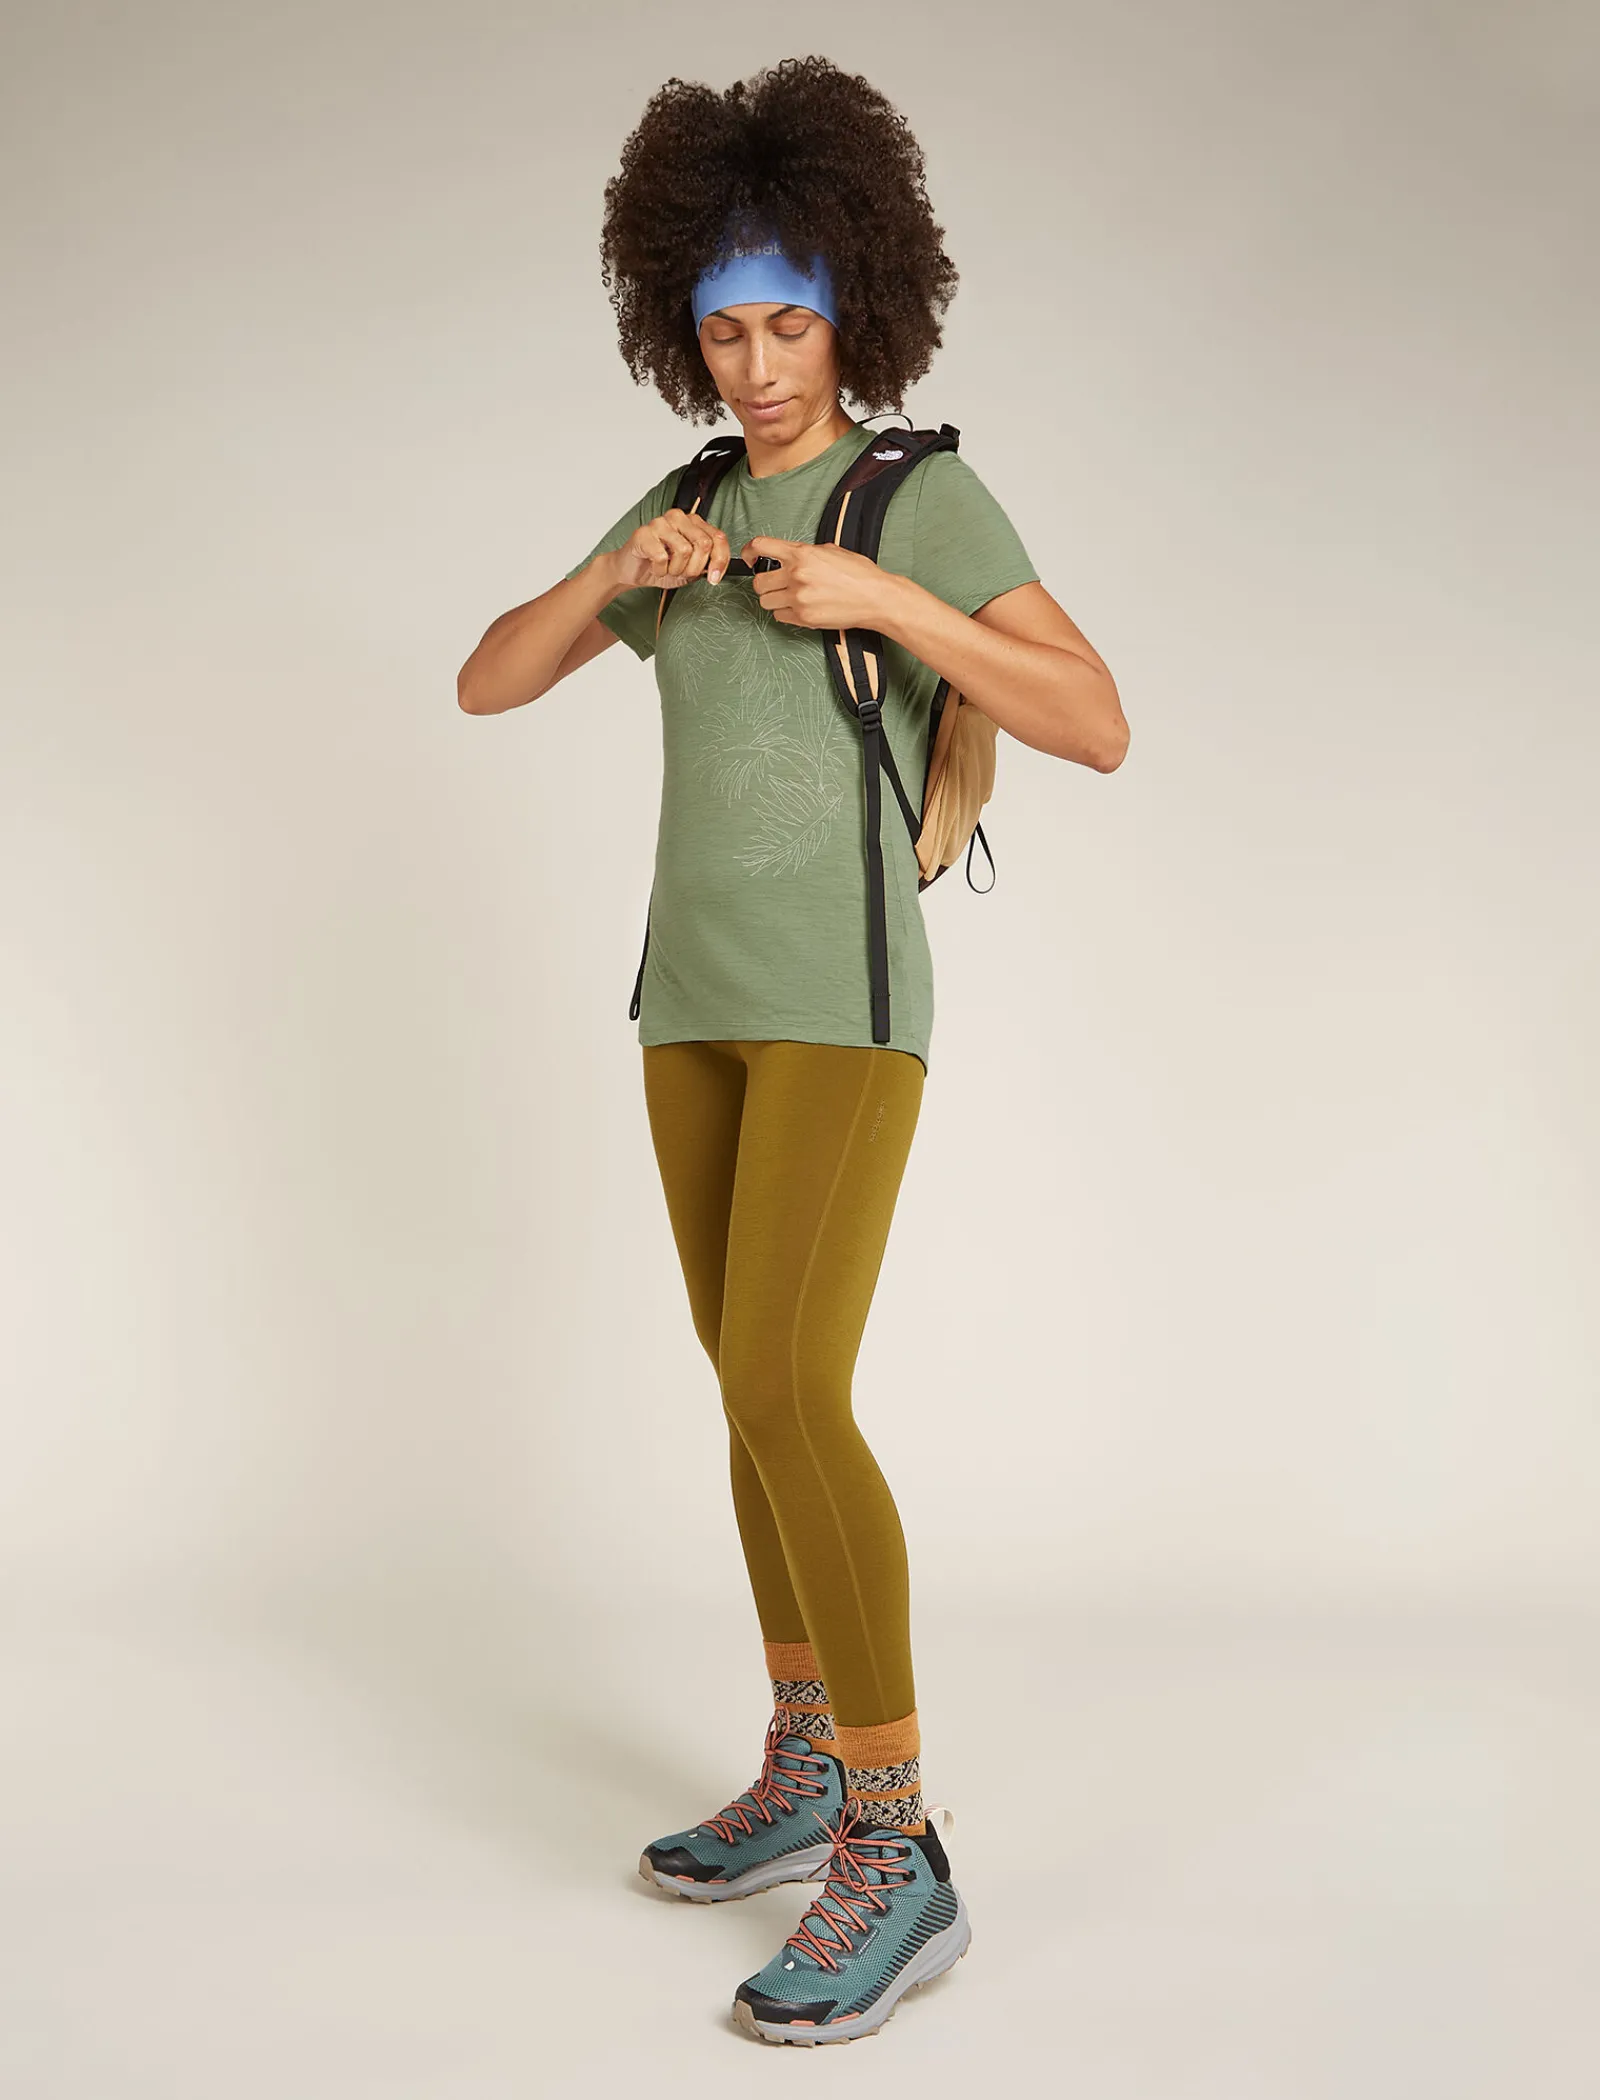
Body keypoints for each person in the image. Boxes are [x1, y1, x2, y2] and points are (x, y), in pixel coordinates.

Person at [457, 56, 1127, 2046]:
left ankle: (898, 1848)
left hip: (842, 1000)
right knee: (742, 1396)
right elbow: (488, 679)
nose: (754, 367)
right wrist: (616, 576)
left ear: (855, 310)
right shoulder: (678, 507)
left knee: (784, 1379)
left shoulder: (916, 496)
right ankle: (810, 1756)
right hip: (687, 1005)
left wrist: (888, 602)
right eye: (722, 328)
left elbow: (1093, 718)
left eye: (788, 325)